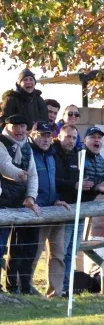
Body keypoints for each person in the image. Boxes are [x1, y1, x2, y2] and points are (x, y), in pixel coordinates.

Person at [29, 122, 71, 297]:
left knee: (58, 255)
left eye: (49, 135)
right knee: (33, 254)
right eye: (42, 135)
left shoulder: (52, 156)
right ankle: (25, 290)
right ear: (32, 135)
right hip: (36, 213)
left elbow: (52, 184)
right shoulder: (28, 154)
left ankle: (56, 294)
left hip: (54, 211)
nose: (46, 139)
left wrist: (56, 201)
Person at [0, 114, 40, 294]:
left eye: (23, 126)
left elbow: (33, 175)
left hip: (19, 204)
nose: (20, 130)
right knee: (0, 247)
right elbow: (4, 165)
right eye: (15, 126)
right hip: (2, 204)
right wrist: (19, 174)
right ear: (7, 127)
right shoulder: (1, 143)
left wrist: (31, 197)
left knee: (19, 249)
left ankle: (18, 287)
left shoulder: (27, 147)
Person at [51, 123, 83, 296]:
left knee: (72, 253)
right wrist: (73, 185)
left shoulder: (77, 155)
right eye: (68, 137)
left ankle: (67, 287)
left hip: (77, 209)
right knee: (59, 254)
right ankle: (58, 288)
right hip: (57, 210)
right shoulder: (52, 153)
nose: (71, 140)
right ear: (59, 137)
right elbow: (53, 180)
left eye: (74, 137)